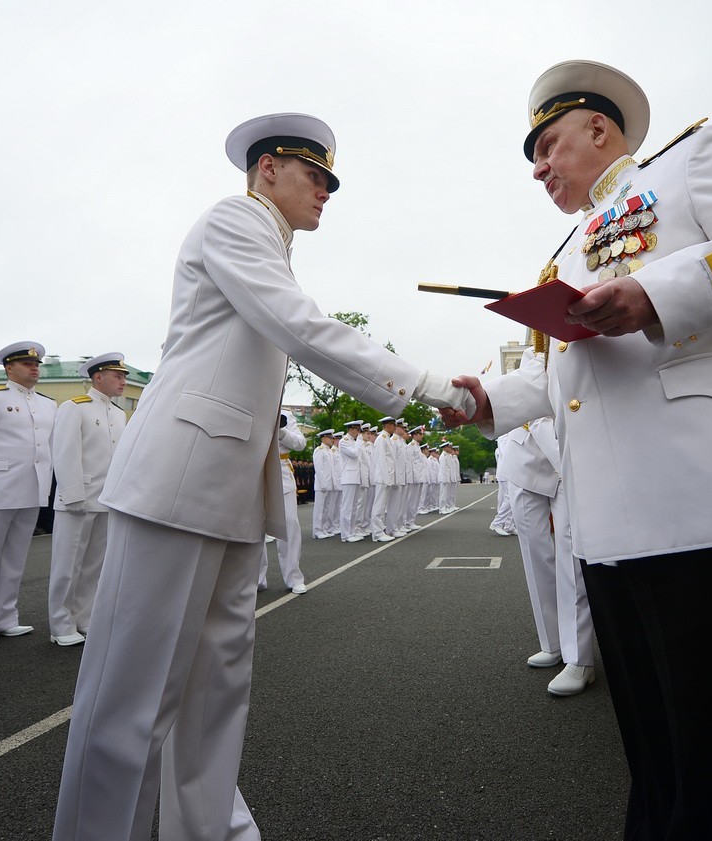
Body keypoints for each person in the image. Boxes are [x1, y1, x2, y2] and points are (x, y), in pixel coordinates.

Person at [52, 112, 471, 841]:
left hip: (229, 489)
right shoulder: (235, 220)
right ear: (267, 168)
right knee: (132, 701)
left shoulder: (270, 243)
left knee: (215, 688)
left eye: (331, 181)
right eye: (316, 175)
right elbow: (302, 325)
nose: (326, 192)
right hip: (177, 483)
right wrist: (432, 384)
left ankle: (206, 826)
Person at [444, 60, 712, 838]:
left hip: (688, 493)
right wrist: (488, 402)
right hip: (604, 514)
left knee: (707, 726)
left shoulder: (689, 161)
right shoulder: (571, 247)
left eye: (548, 146)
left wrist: (654, 293)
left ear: (598, 127)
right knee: (649, 731)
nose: (541, 168)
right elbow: (561, 379)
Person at [0, 342, 56, 646]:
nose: (34, 368)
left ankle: (5, 618)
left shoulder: (48, 405)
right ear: (9, 368)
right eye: (27, 364)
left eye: (37, 365)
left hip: (32, 487)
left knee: (14, 559)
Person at [48, 352, 129, 646]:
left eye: (124, 376)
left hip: (106, 499)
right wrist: (71, 494)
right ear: (98, 377)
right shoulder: (74, 407)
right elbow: (65, 452)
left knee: (94, 566)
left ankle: (85, 617)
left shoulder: (119, 413)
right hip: (77, 499)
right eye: (117, 376)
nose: (123, 381)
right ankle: (60, 625)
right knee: (67, 566)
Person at [258, 408, 308, 594]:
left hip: (281, 472)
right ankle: (256, 578)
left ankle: (294, 576)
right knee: (255, 527)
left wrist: (281, 432)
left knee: (289, 523)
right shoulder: (253, 405)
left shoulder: (285, 414)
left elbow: (300, 443)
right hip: (255, 471)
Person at [311, 429, 338, 539]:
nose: (332, 440)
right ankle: (317, 530)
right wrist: (323, 485)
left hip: (329, 484)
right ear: (324, 438)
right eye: (330, 437)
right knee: (320, 508)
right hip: (322, 485)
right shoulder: (319, 450)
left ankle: (324, 528)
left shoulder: (329, 451)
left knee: (326, 508)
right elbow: (319, 469)